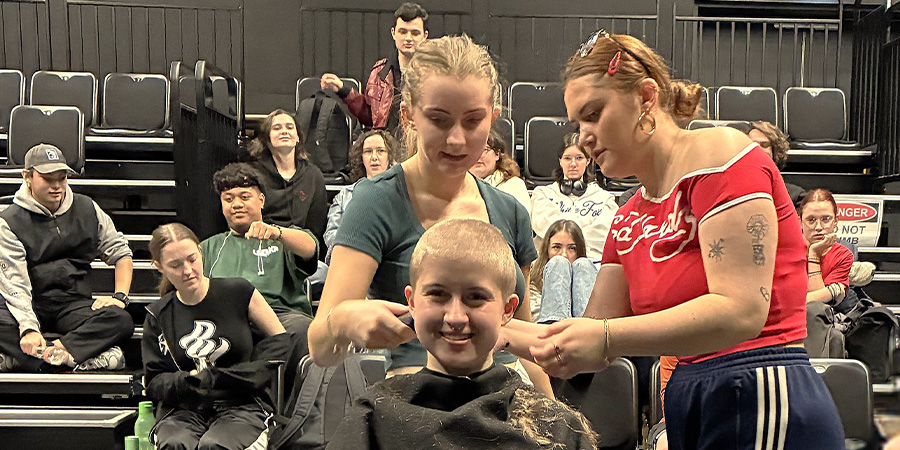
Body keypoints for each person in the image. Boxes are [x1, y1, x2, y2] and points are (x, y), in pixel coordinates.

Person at [518, 30, 844, 449]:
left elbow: (741, 311)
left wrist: (605, 337)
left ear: (646, 97)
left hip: (761, 383)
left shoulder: (719, 153)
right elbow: (591, 339)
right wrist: (483, 326)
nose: (582, 136)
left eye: (594, 113)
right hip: (688, 390)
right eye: (576, 122)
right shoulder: (628, 215)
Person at [308, 35, 551, 395]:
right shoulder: (376, 202)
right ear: (409, 116)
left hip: (505, 399)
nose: (456, 140)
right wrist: (343, 320)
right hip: (417, 405)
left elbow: (524, 341)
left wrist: (554, 417)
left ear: (493, 118)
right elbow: (320, 348)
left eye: (472, 122)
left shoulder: (509, 211)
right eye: (439, 120)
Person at [325, 218, 598, 450]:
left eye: (476, 298)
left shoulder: (555, 430)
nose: (455, 317)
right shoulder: (373, 418)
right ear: (412, 302)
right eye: (437, 295)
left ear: (507, 309)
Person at [143, 223, 289, 450]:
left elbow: (279, 340)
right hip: (184, 409)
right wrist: (190, 379)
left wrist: (224, 376)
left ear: (200, 253)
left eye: (192, 259)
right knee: (175, 444)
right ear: (159, 266)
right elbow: (154, 381)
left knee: (215, 446)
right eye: (175, 265)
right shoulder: (158, 314)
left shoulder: (239, 291)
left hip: (242, 404)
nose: (188, 270)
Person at [0, 144, 133, 372]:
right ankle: (78, 358)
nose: (56, 186)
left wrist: (120, 296)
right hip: (29, 302)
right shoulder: (8, 221)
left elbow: (121, 253)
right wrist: (29, 329)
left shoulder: (87, 208)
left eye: (61, 179)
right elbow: (15, 285)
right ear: (27, 177)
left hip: (73, 304)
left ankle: (33, 358)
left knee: (120, 319)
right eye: (47, 179)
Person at [201, 163, 320, 389]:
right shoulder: (208, 247)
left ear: (261, 200)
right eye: (228, 198)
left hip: (281, 316)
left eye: (245, 196)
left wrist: (278, 233)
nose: (236, 204)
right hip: (229, 321)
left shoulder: (283, 238)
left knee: (303, 329)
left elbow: (310, 247)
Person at [320, 3, 429, 131]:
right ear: (393, 33)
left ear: (425, 36)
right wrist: (342, 89)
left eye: (415, 33)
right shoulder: (380, 72)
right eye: (403, 32)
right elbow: (370, 117)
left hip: (421, 143)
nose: (408, 38)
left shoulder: (435, 73)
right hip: (386, 145)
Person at [245, 109, 328, 255]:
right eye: (277, 128)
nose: (284, 131)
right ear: (267, 138)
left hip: (299, 250)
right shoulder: (251, 172)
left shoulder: (313, 175)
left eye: (290, 127)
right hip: (261, 248)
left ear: (298, 138)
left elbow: (315, 228)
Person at [530, 133, 617, 264]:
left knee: (582, 266)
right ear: (560, 161)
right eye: (567, 158)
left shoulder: (605, 199)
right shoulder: (542, 195)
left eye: (579, 158)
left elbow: (604, 235)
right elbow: (545, 228)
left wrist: (565, 239)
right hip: (551, 263)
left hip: (591, 263)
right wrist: (581, 234)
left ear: (588, 161)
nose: (573, 164)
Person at [324, 130, 403, 263]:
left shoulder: (401, 193)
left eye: (380, 151)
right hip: (349, 261)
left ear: (389, 157)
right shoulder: (345, 195)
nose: (374, 157)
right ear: (361, 157)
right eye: (368, 151)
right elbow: (331, 234)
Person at [529, 220, 597, 323]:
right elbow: (531, 317)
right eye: (557, 247)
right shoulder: (533, 278)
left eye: (572, 248)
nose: (564, 254)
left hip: (586, 333)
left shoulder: (586, 270)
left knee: (583, 265)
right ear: (547, 250)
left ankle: (587, 329)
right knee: (559, 263)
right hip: (547, 332)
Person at [799, 188, 853, 305]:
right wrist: (832, 292)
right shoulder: (786, 251)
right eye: (811, 220)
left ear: (836, 221)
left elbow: (817, 308)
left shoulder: (843, 255)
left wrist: (814, 254)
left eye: (825, 219)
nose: (818, 227)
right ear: (800, 222)